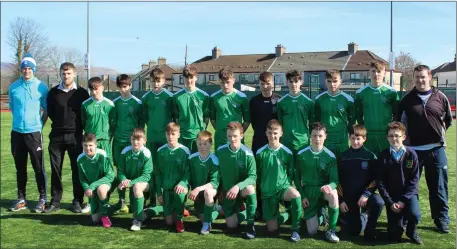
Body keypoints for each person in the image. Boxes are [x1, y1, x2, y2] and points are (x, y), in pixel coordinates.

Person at [396, 64, 453, 234]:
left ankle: (441, 220)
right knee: (409, 187)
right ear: (413, 78)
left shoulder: (440, 97)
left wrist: (437, 136)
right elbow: (399, 124)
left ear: (430, 77)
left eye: (423, 76)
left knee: (439, 187)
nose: (420, 80)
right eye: (417, 77)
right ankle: (408, 218)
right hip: (412, 151)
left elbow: (447, 120)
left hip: (436, 150)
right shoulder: (406, 100)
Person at [46, 62, 90, 213]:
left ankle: (77, 201)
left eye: (69, 73)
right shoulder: (53, 93)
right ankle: (55, 201)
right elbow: (50, 112)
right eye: (64, 73)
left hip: (75, 136)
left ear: (74, 74)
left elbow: (85, 114)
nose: (66, 76)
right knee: (55, 170)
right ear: (60, 74)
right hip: (56, 137)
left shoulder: (82, 93)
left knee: (76, 169)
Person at [9, 53, 49, 213]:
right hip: (17, 133)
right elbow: (12, 107)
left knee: (38, 167)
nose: (26, 71)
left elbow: (46, 109)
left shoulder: (41, 87)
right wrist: (20, 122)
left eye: (29, 68)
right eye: (24, 68)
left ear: (33, 70)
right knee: (20, 168)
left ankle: (42, 198)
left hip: (34, 133)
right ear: (21, 70)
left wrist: (39, 124)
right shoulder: (13, 87)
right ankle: (21, 199)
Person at [256, 120, 302, 242]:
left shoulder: (287, 152)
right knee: (272, 229)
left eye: (275, 133)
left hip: (282, 188)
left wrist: (285, 184)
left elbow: (291, 173)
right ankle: (287, 215)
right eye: (270, 133)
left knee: (296, 196)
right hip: (267, 191)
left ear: (281, 133)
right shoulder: (260, 153)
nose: (272, 136)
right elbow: (258, 175)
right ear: (266, 133)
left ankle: (295, 229)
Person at [377, 121, 422, 244]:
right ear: (387, 137)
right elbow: (380, 183)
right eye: (391, 136)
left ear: (404, 137)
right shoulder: (383, 156)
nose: (394, 139)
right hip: (392, 198)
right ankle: (399, 223)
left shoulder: (411, 155)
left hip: (408, 196)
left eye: (397, 135)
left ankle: (411, 231)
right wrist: (390, 202)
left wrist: (403, 200)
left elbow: (414, 180)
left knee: (415, 215)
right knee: (393, 236)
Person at [337, 124, 384, 241]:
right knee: (354, 231)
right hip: (349, 197)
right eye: (353, 138)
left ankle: (370, 229)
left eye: (358, 139)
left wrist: (366, 194)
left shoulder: (370, 156)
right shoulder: (343, 156)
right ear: (349, 138)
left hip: (364, 196)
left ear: (364, 139)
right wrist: (341, 200)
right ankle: (364, 216)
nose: (355, 141)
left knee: (378, 202)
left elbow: (375, 179)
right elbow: (338, 180)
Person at [295, 122, 340, 243]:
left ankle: (331, 230)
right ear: (310, 136)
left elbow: (335, 180)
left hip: (323, 190)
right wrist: (303, 196)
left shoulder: (330, 156)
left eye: (320, 135)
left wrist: (329, 186)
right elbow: (297, 179)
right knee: (312, 231)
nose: (317, 139)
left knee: (334, 194)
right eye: (314, 135)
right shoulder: (301, 154)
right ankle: (321, 215)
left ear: (325, 136)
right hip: (309, 191)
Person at [216, 121, 257, 239]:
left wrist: (238, 186)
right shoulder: (220, 151)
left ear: (241, 136)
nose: (232, 139)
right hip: (228, 193)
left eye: (235, 136)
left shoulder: (248, 153)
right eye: (229, 136)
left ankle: (250, 224)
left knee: (250, 189)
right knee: (231, 226)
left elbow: (252, 176)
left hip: (241, 190)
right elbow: (216, 173)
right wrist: (220, 191)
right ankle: (245, 212)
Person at [142, 68, 176, 211]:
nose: (155, 84)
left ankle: (169, 197)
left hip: (165, 140)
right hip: (151, 139)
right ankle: (152, 198)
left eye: (158, 81)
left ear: (163, 81)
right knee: (152, 169)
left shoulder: (169, 97)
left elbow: (174, 118)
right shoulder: (146, 98)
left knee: (166, 169)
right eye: (153, 81)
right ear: (149, 81)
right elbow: (144, 118)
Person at [249, 71, 280, 219]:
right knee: (260, 175)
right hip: (259, 142)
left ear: (273, 83)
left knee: (275, 174)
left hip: (274, 144)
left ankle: (276, 205)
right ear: (259, 85)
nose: (265, 86)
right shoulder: (254, 101)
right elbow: (254, 123)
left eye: (268, 83)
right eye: (262, 84)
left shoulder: (279, 100)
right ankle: (259, 207)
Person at [111, 74, 144, 213]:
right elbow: (112, 123)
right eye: (120, 87)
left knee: (135, 170)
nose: (123, 89)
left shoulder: (137, 103)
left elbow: (141, 125)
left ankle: (135, 201)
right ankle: (122, 201)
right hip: (118, 142)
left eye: (125, 86)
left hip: (132, 143)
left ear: (130, 86)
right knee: (120, 171)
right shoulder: (115, 103)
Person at [354, 60, 398, 155]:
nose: (376, 74)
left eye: (379, 71)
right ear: (369, 73)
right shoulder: (360, 93)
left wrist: (391, 129)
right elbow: (358, 115)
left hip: (386, 135)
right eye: (373, 71)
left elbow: (396, 114)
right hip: (368, 135)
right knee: (368, 165)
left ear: (384, 73)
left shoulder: (391, 92)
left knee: (385, 165)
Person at [155, 122, 190, 233]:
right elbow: (158, 174)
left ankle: (179, 217)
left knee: (179, 195)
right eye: (168, 134)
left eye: (173, 134)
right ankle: (177, 209)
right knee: (169, 222)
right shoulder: (160, 151)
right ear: (165, 134)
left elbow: (188, 172)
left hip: (179, 188)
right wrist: (159, 194)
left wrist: (183, 183)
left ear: (179, 134)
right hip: (166, 190)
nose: (170, 137)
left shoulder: (184, 151)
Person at [117, 128, 153, 231]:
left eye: (138, 139)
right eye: (133, 139)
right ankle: (156, 209)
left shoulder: (146, 153)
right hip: (132, 184)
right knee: (135, 208)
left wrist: (130, 183)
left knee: (137, 187)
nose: (135, 142)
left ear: (144, 140)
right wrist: (124, 180)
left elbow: (146, 176)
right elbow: (120, 171)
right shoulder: (125, 152)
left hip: (147, 184)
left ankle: (138, 221)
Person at [315, 69, 355, 160]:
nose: (332, 84)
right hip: (325, 142)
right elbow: (317, 122)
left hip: (342, 142)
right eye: (329, 81)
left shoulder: (348, 99)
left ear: (340, 81)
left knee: (342, 169)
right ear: (325, 81)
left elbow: (351, 122)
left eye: (335, 81)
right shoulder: (319, 99)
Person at [77, 133, 115, 228]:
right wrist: (87, 188)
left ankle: (105, 215)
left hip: (105, 183)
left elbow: (110, 175)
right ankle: (114, 207)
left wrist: (93, 185)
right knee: (95, 219)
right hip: (91, 189)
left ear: (96, 145)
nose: (88, 148)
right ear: (82, 145)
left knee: (101, 190)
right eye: (85, 145)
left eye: (90, 145)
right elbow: (82, 178)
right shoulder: (80, 159)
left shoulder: (102, 155)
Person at [188, 131, 221, 235]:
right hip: (197, 195)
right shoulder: (192, 158)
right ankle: (216, 210)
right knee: (202, 216)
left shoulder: (214, 159)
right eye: (200, 144)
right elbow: (188, 177)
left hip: (210, 191)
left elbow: (214, 182)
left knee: (208, 192)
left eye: (205, 144)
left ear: (211, 144)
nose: (202, 147)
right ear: (196, 144)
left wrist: (198, 189)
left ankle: (207, 224)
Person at [209, 68, 250, 150]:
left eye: (228, 82)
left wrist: (238, 133)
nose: (225, 85)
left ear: (233, 80)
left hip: (237, 140)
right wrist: (221, 131)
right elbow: (212, 120)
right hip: (220, 140)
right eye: (222, 82)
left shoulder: (242, 97)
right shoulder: (214, 97)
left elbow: (247, 120)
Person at [173, 65, 209, 153]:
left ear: (196, 77)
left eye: (191, 77)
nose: (189, 80)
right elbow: (176, 117)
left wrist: (202, 131)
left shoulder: (204, 96)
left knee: (197, 162)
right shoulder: (176, 96)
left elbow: (206, 117)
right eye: (186, 78)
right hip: (182, 136)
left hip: (198, 136)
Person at [81, 77, 115, 156]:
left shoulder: (110, 104)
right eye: (91, 89)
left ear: (102, 88)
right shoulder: (85, 104)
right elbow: (83, 122)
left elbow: (113, 123)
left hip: (104, 141)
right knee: (90, 166)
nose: (94, 92)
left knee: (105, 166)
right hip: (89, 142)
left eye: (96, 89)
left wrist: (108, 136)